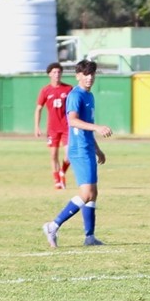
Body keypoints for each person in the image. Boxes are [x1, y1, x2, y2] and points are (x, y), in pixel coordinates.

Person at [44, 59, 112, 247]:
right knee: (86, 193)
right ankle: (53, 225)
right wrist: (98, 127)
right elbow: (72, 121)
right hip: (79, 150)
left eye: (92, 74)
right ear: (78, 76)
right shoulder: (76, 95)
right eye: (85, 74)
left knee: (93, 193)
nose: (89, 78)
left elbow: (85, 127)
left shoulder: (90, 96)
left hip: (87, 148)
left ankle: (89, 237)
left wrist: (97, 149)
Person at [34, 62, 73, 189]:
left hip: (67, 127)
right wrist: (37, 126)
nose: (57, 74)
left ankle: (62, 171)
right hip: (53, 128)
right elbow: (38, 109)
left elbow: (75, 107)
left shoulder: (68, 89)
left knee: (69, 155)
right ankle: (57, 179)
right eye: (54, 72)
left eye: (59, 72)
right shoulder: (45, 90)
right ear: (49, 74)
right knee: (53, 155)